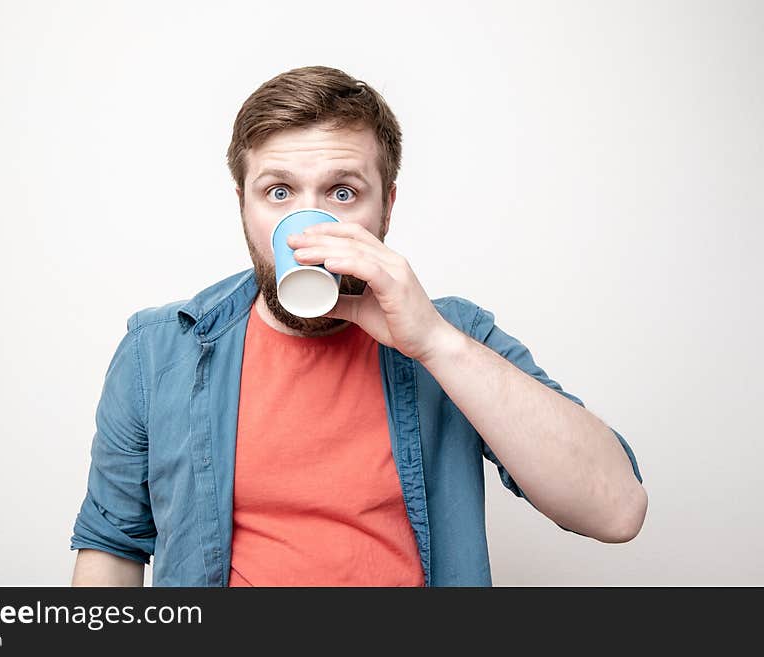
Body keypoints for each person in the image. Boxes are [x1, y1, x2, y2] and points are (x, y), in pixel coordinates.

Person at [69, 65, 647, 587]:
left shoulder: (456, 337)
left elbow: (617, 511)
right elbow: (111, 548)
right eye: (278, 191)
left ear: (386, 206)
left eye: (342, 193)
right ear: (243, 204)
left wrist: (436, 343)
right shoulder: (158, 352)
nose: (306, 225)